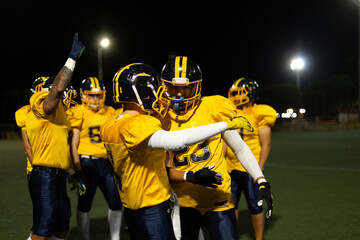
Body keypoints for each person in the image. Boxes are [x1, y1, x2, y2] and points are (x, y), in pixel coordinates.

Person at [100, 63, 252, 240]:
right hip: (151, 205)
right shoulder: (138, 124)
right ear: (140, 94)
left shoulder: (110, 124)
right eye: (156, 89)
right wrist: (225, 125)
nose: (161, 94)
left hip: (131, 208)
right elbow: (176, 140)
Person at [157, 56, 273, 240]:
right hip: (183, 201)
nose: (179, 94)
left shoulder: (213, 107)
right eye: (173, 87)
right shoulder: (160, 117)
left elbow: (240, 148)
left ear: (197, 87)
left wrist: (260, 179)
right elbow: (161, 169)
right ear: (164, 87)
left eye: (185, 87)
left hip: (218, 199)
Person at [25, 33, 85, 240]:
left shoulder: (61, 117)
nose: (70, 98)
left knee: (61, 225)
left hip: (57, 174)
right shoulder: (42, 102)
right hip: (44, 174)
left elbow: (60, 149)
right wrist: (72, 58)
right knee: (43, 228)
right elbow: (57, 91)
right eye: (66, 93)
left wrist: (72, 172)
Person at [68, 77, 122, 240]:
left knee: (116, 202)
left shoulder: (110, 111)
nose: (95, 99)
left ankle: (115, 237)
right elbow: (73, 144)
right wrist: (76, 169)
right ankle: (85, 237)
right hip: (87, 163)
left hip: (106, 163)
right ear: (83, 95)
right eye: (91, 95)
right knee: (85, 204)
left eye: (98, 95)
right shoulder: (78, 111)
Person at [225, 78, 277, 240]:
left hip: (250, 168)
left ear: (251, 93)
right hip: (230, 167)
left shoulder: (259, 113)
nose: (235, 96)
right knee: (230, 206)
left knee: (255, 205)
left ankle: (259, 238)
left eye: (239, 93)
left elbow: (266, 144)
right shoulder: (229, 112)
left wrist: (258, 170)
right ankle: (232, 236)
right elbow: (224, 142)